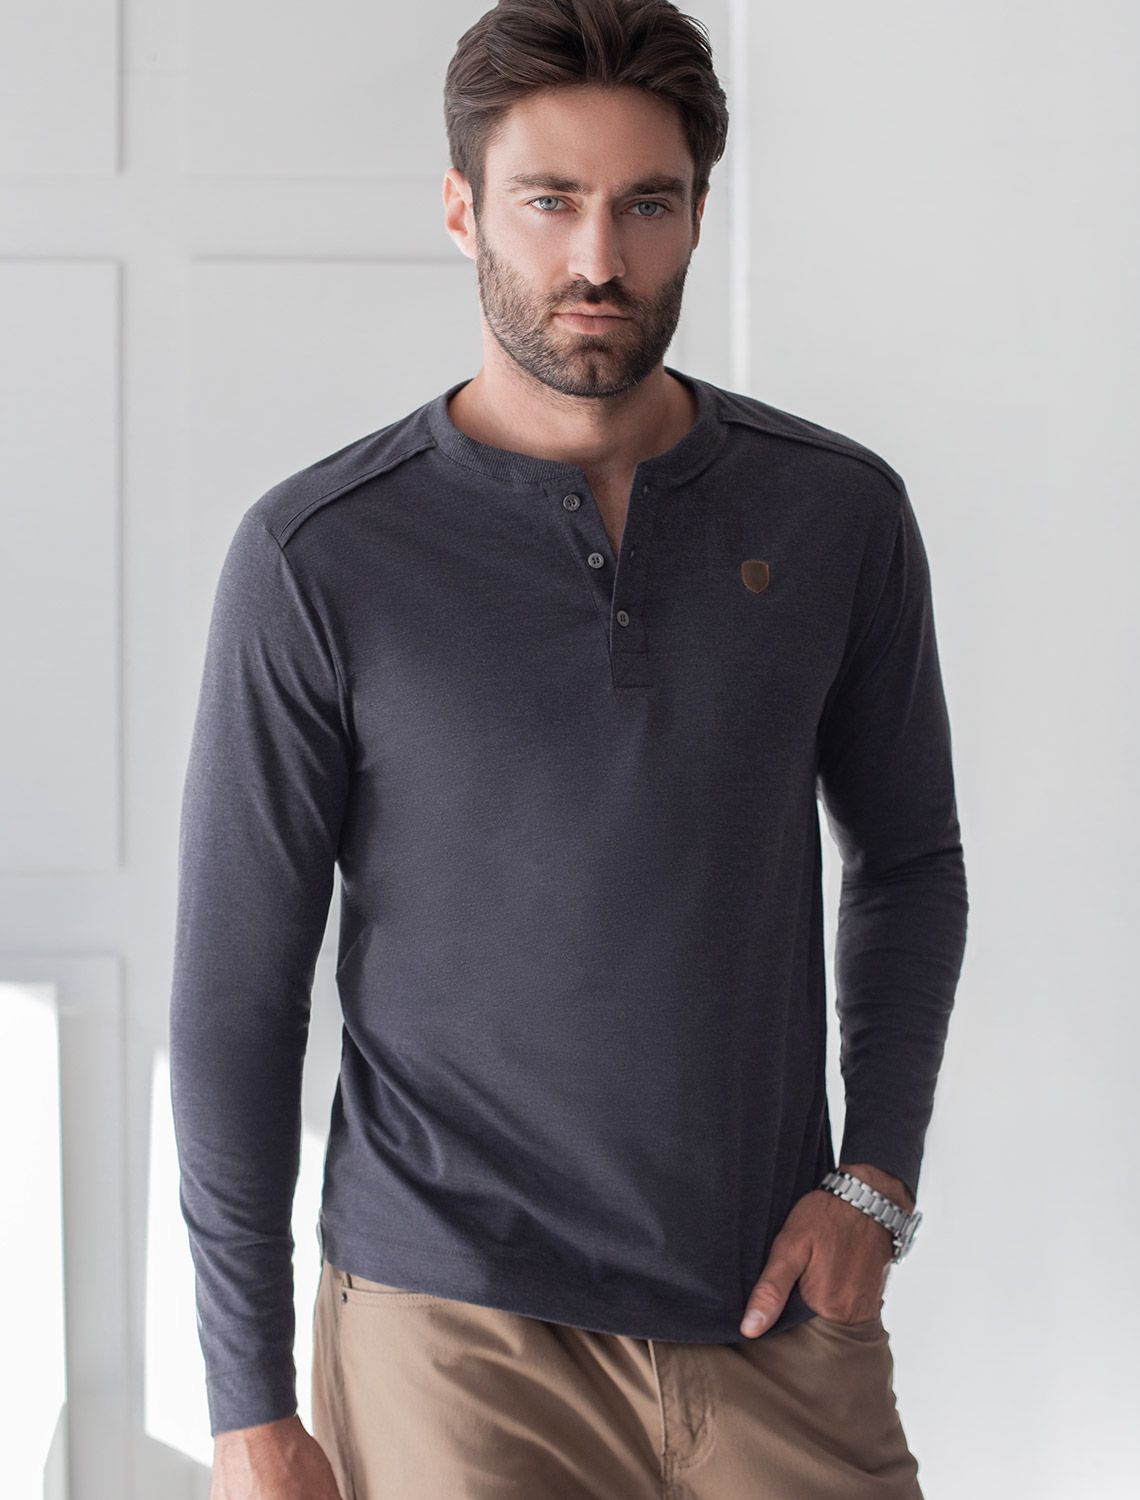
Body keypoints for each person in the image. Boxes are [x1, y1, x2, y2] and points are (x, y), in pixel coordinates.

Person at [170, 2, 969, 1496]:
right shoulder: (320, 555)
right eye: (550, 201)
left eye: (644, 205)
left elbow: (911, 858)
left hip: (775, 1309)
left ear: (698, 215)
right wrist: (248, 1407)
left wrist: (877, 1178)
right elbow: (235, 994)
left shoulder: (835, 513)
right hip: (452, 1333)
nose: (598, 258)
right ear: (462, 207)